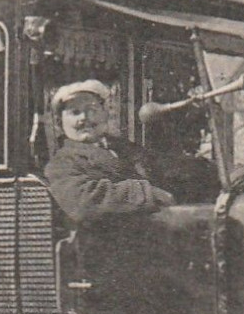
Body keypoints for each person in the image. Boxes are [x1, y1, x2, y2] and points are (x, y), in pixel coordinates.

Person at [43, 80, 175, 227]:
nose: (84, 118)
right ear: (60, 122)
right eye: (75, 112)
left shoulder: (125, 149)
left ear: (105, 113)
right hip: (101, 244)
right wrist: (146, 193)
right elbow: (85, 203)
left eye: (91, 110)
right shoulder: (61, 164)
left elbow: (164, 170)